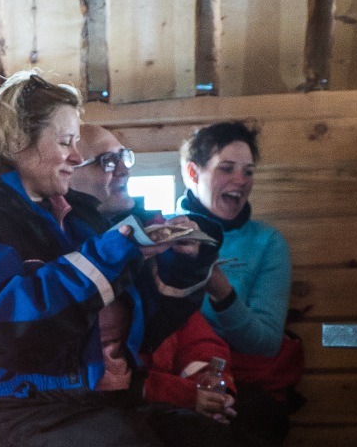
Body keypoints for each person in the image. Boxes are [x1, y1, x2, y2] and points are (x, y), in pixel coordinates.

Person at [0, 71, 274, 447]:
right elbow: (13, 313)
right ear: (17, 141)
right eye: (65, 141)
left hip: (96, 406)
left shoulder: (79, 218)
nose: (74, 155)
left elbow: (148, 325)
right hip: (15, 416)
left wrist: (182, 266)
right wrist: (111, 253)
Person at [68, 125, 239, 428]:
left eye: (124, 157)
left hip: (161, 399)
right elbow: (113, 365)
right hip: (114, 407)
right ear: (66, 170)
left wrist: (214, 383)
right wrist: (187, 394)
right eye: (107, 161)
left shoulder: (147, 235)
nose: (123, 170)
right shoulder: (68, 250)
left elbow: (190, 330)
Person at [175, 120, 302, 443]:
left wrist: (221, 290)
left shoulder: (267, 242)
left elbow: (266, 343)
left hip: (247, 386)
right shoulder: (164, 235)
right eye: (226, 168)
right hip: (177, 378)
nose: (240, 181)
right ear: (192, 173)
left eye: (248, 171)